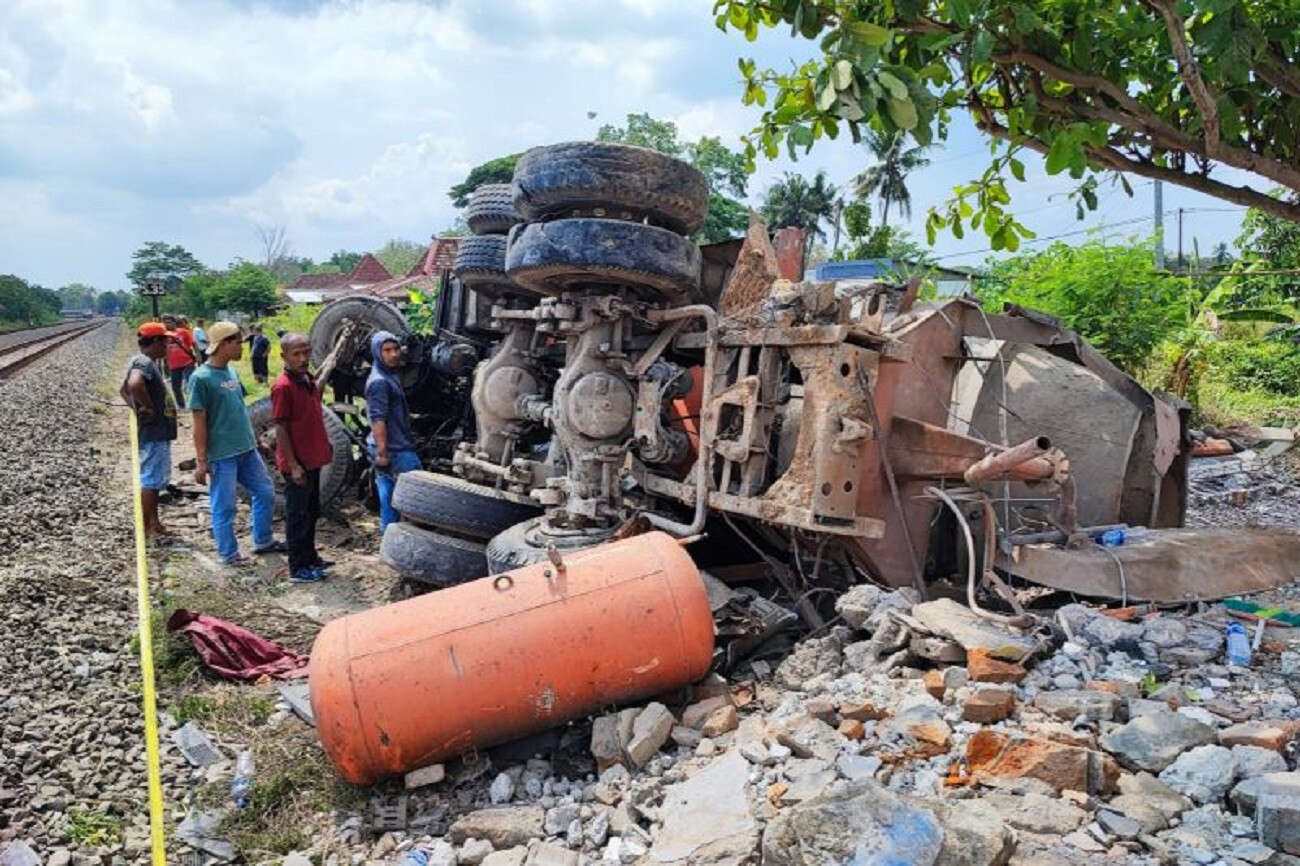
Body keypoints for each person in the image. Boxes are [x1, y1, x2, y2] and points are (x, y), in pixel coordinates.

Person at [188, 321, 285, 566]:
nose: (242, 347)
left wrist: (255, 441)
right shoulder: (201, 378)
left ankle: (262, 540)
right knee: (225, 506)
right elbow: (199, 423)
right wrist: (201, 461)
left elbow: (240, 410)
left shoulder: (231, 372)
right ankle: (229, 555)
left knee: (265, 492)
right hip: (222, 455)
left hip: (246, 450)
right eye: (237, 342)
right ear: (223, 344)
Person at [269, 331, 345, 582]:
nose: (302, 358)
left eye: (306, 352)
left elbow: (312, 412)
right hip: (297, 463)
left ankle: (311, 557)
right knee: (298, 516)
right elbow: (280, 427)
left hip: (312, 459)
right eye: (296, 354)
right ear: (284, 356)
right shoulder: (283, 387)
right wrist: (293, 465)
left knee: (311, 512)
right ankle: (298, 568)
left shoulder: (306, 380)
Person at [120, 322, 178, 541]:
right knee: (151, 481)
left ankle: (154, 522)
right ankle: (148, 527)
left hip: (156, 432)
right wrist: (147, 408)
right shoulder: (143, 362)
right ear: (154, 341)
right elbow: (134, 385)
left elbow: (123, 391)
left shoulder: (144, 362)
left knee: (154, 480)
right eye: (165, 341)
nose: (167, 346)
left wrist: (137, 408)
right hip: (154, 433)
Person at [365, 331, 419, 532]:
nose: (394, 354)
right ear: (377, 353)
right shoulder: (379, 381)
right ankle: (394, 537)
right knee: (409, 494)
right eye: (387, 350)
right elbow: (377, 419)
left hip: (394, 446)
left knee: (391, 497)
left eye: (396, 349)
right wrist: (382, 452)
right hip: (393, 449)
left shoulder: (389, 375)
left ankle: (391, 536)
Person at [163, 314, 199, 409]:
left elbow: (194, 344)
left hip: (188, 362)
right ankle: (181, 405)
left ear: (174, 323)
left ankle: (194, 403)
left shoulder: (184, 332)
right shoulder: (163, 336)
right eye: (165, 323)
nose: (167, 324)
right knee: (175, 387)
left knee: (191, 383)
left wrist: (198, 357)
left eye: (169, 322)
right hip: (173, 365)